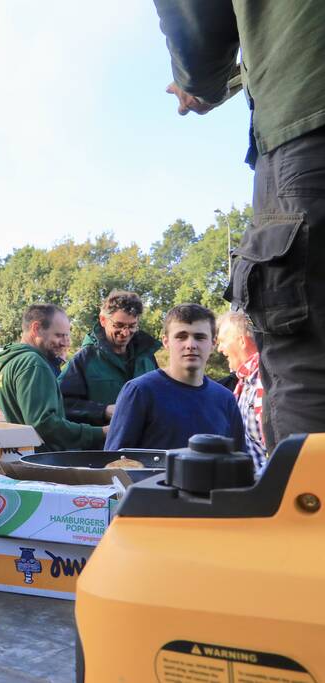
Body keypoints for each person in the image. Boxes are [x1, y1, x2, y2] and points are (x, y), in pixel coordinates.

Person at [154, 1, 325, 451]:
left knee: (309, 362)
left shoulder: (220, 396)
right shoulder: (145, 391)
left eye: (203, 336)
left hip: (307, 121)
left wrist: (200, 82)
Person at [106, 304, 245, 452]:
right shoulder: (140, 392)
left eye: (199, 337)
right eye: (181, 337)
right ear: (166, 342)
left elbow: (238, 463)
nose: (190, 345)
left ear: (213, 343)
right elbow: (114, 464)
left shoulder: (226, 399)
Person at [0, 305, 106, 452]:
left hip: (13, 459)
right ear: (36, 328)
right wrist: (101, 432)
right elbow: (45, 424)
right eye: (59, 335)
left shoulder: (7, 363)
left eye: (67, 335)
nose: (66, 343)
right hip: (38, 464)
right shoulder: (33, 363)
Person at [59, 291, 161, 426]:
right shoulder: (84, 359)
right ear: (103, 320)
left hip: (146, 443)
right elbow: (62, 403)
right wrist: (103, 411)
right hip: (105, 444)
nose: (125, 333)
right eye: (118, 325)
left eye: (132, 326)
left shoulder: (147, 356)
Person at [217, 310, 266, 471]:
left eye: (223, 341)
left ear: (242, 342)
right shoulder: (245, 383)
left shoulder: (264, 380)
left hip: (272, 488)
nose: (220, 349)